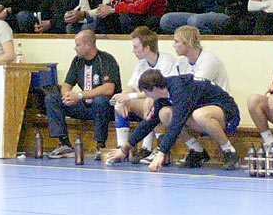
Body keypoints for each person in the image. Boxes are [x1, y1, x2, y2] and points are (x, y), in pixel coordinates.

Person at [103, 70, 241, 171]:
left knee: (200, 115)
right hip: (204, 114)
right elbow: (149, 123)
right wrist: (124, 149)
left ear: (155, 89)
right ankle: (197, 152)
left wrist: (161, 153)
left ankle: (230, 152)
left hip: (227, 114)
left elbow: (176, 125)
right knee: (165, 113)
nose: (146, 96)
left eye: (147, 93)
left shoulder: (180, 90)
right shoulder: (163, 93)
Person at [44, 30, 121, 160]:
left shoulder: (106, 60)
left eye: (78, 45)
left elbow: (109, 89)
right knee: (52, 98)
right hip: (84, 106)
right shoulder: (77, 61)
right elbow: (66, 86)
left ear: (88, 45)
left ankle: (100, 145)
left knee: (100, 100)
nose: (75, 48)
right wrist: (68, 96)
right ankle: (64, 143)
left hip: (105, 108)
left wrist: (79, 95)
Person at [110, 26, 178, 159]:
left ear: (147, 48)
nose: (133, 51)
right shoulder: (141, 63)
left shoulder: (166, 60)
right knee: (120, 104)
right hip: (151, 101)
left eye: (136, 47)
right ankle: (122, 148)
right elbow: (131, 85)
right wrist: (123, 97)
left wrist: (129, 96)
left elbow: (157, 92)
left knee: (150, 101)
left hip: (167, 103)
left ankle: (155, 147)